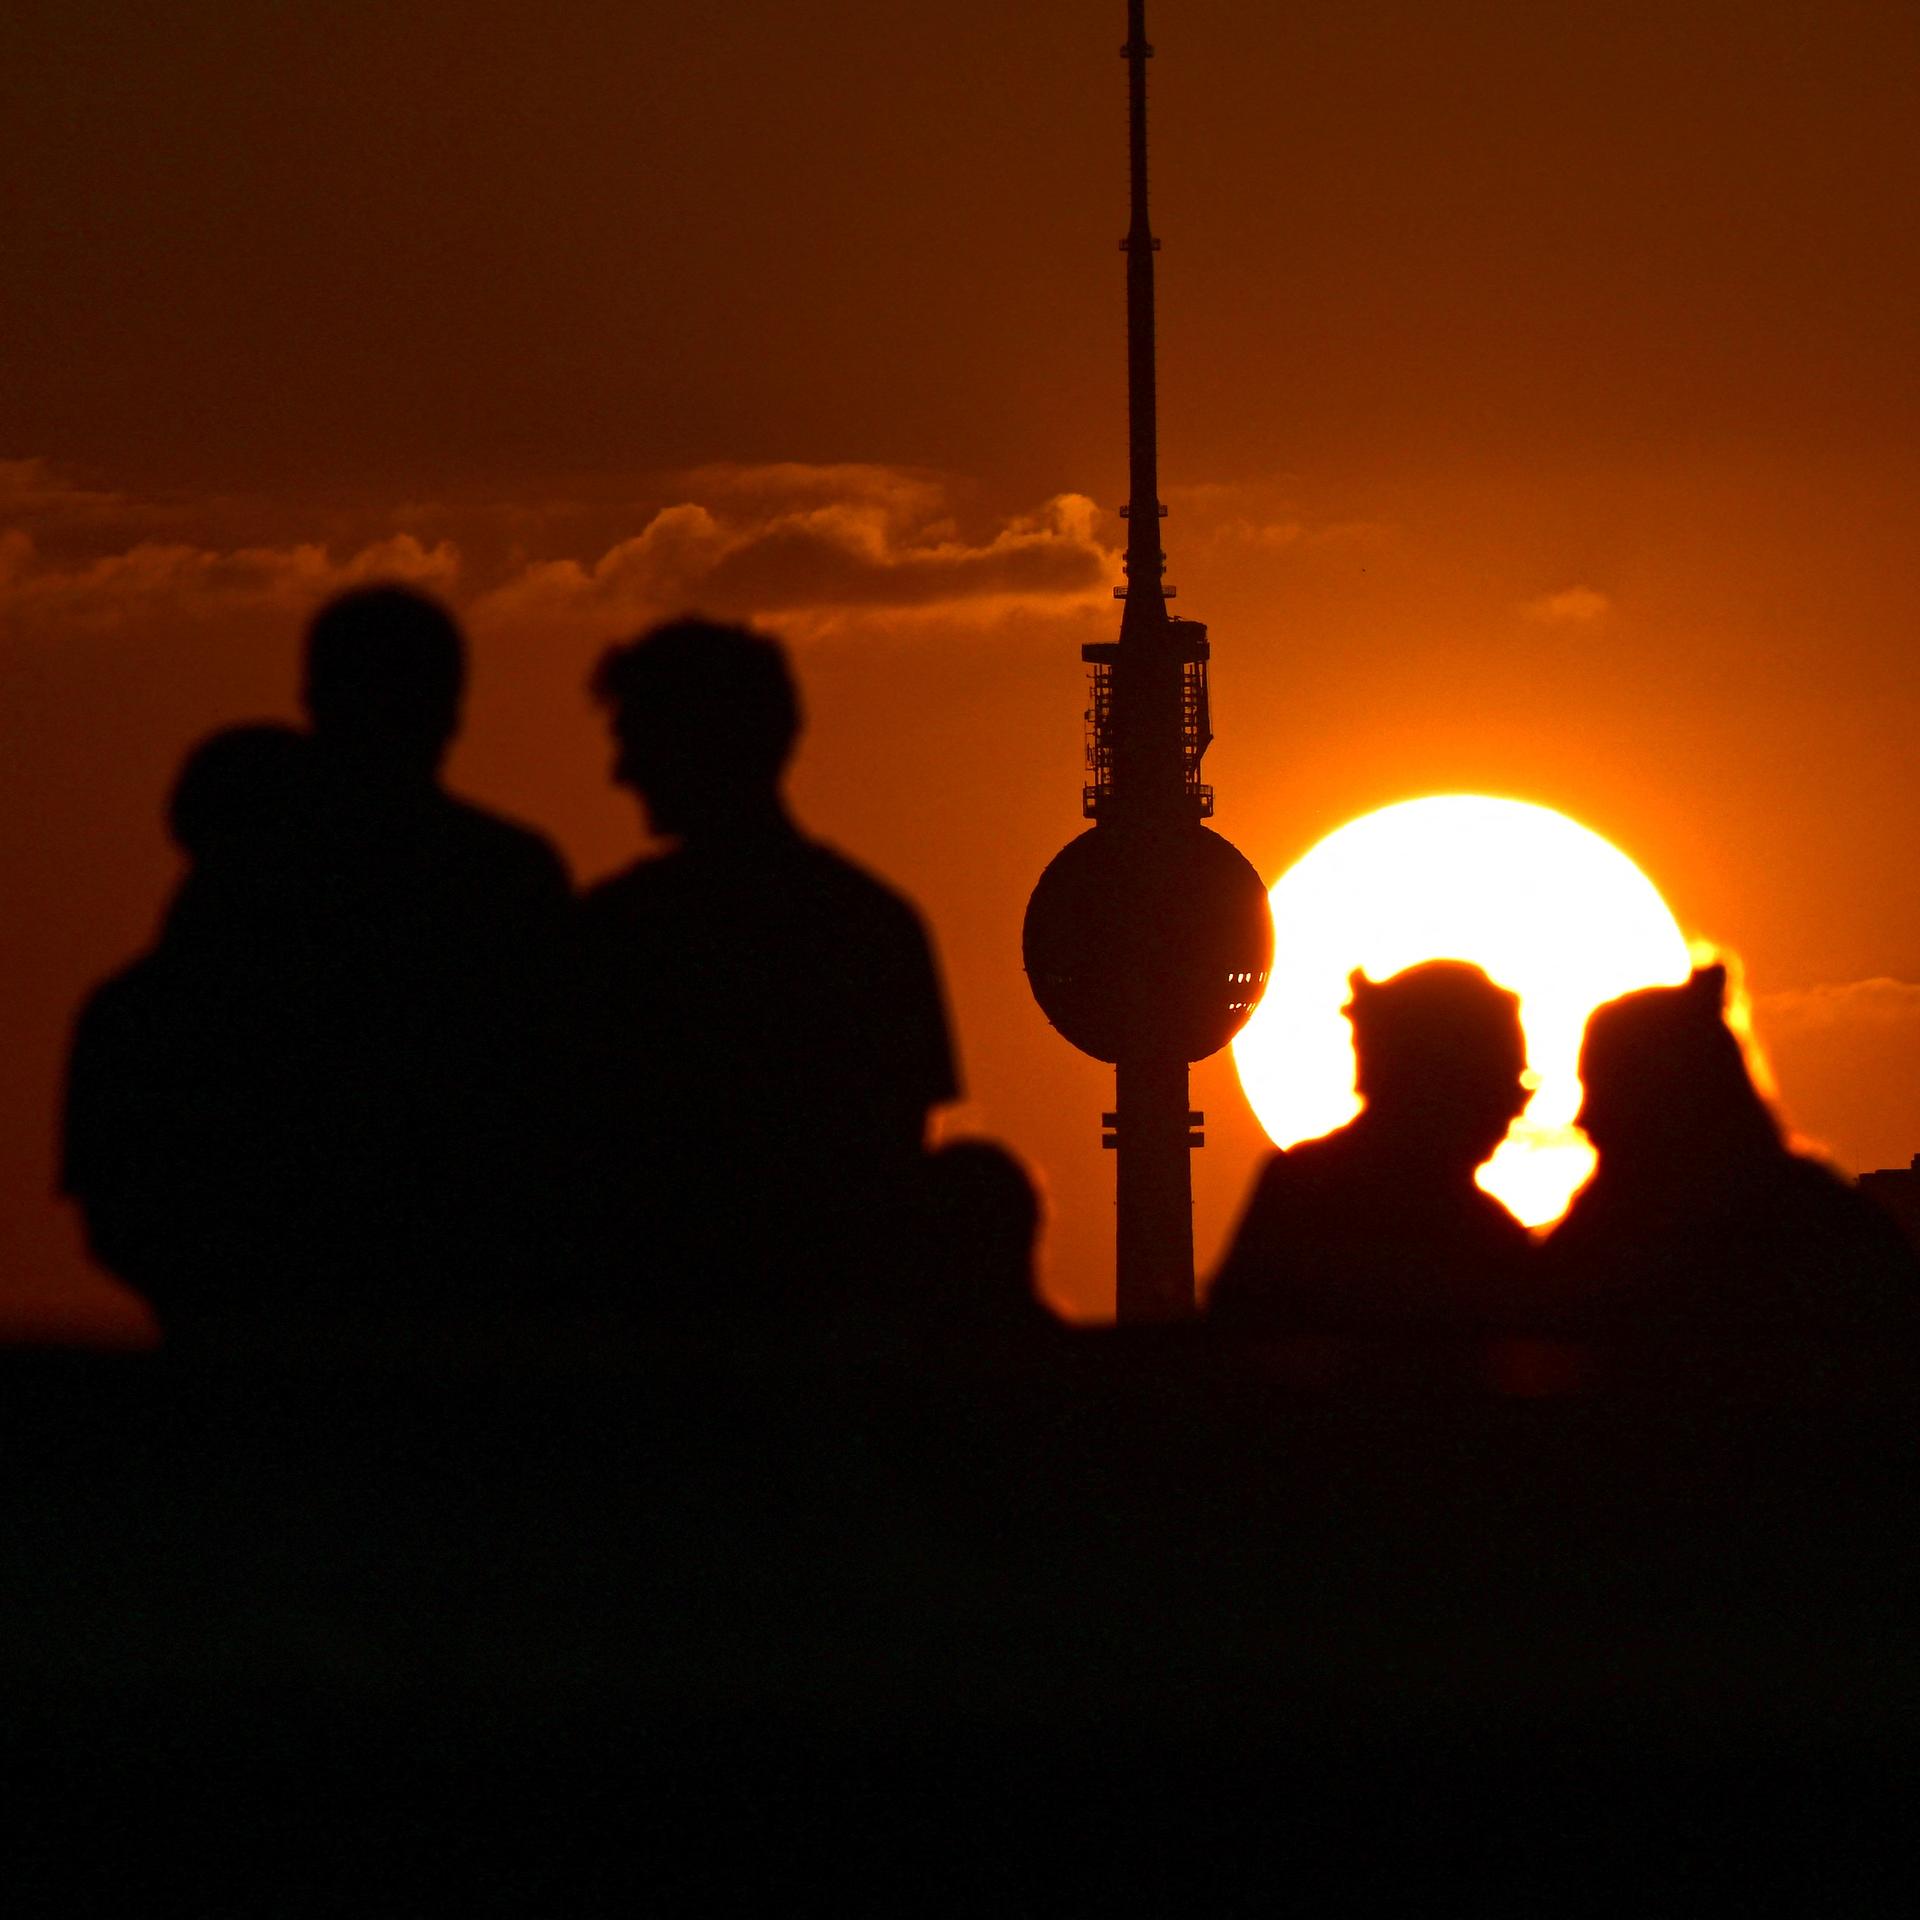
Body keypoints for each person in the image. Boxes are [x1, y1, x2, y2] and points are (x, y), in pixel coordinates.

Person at [62, 586, 573, 1335]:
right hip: (447, 1329)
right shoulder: (506, 875)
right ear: (455, 707)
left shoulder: (244, 886)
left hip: (278, 1329)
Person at [575, 616, 959, 1316]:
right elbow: (896, 1163)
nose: (620, 772)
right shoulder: (875, 928)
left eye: (639, 740)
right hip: (833, 1340)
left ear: (699, 744)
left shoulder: (619, 931)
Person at [1540, 965, 1920, 1335]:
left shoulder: (1615, 1250)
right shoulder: (1840, 1228)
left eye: (1600, 1090)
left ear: (1663, 1098)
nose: (1583, 1117)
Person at [1207, 960, 1535, 1333]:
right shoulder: (1486, 1243)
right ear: (1440, 1084)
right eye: (1501, 1084)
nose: (1514, 1110)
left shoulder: (1300, 1187)